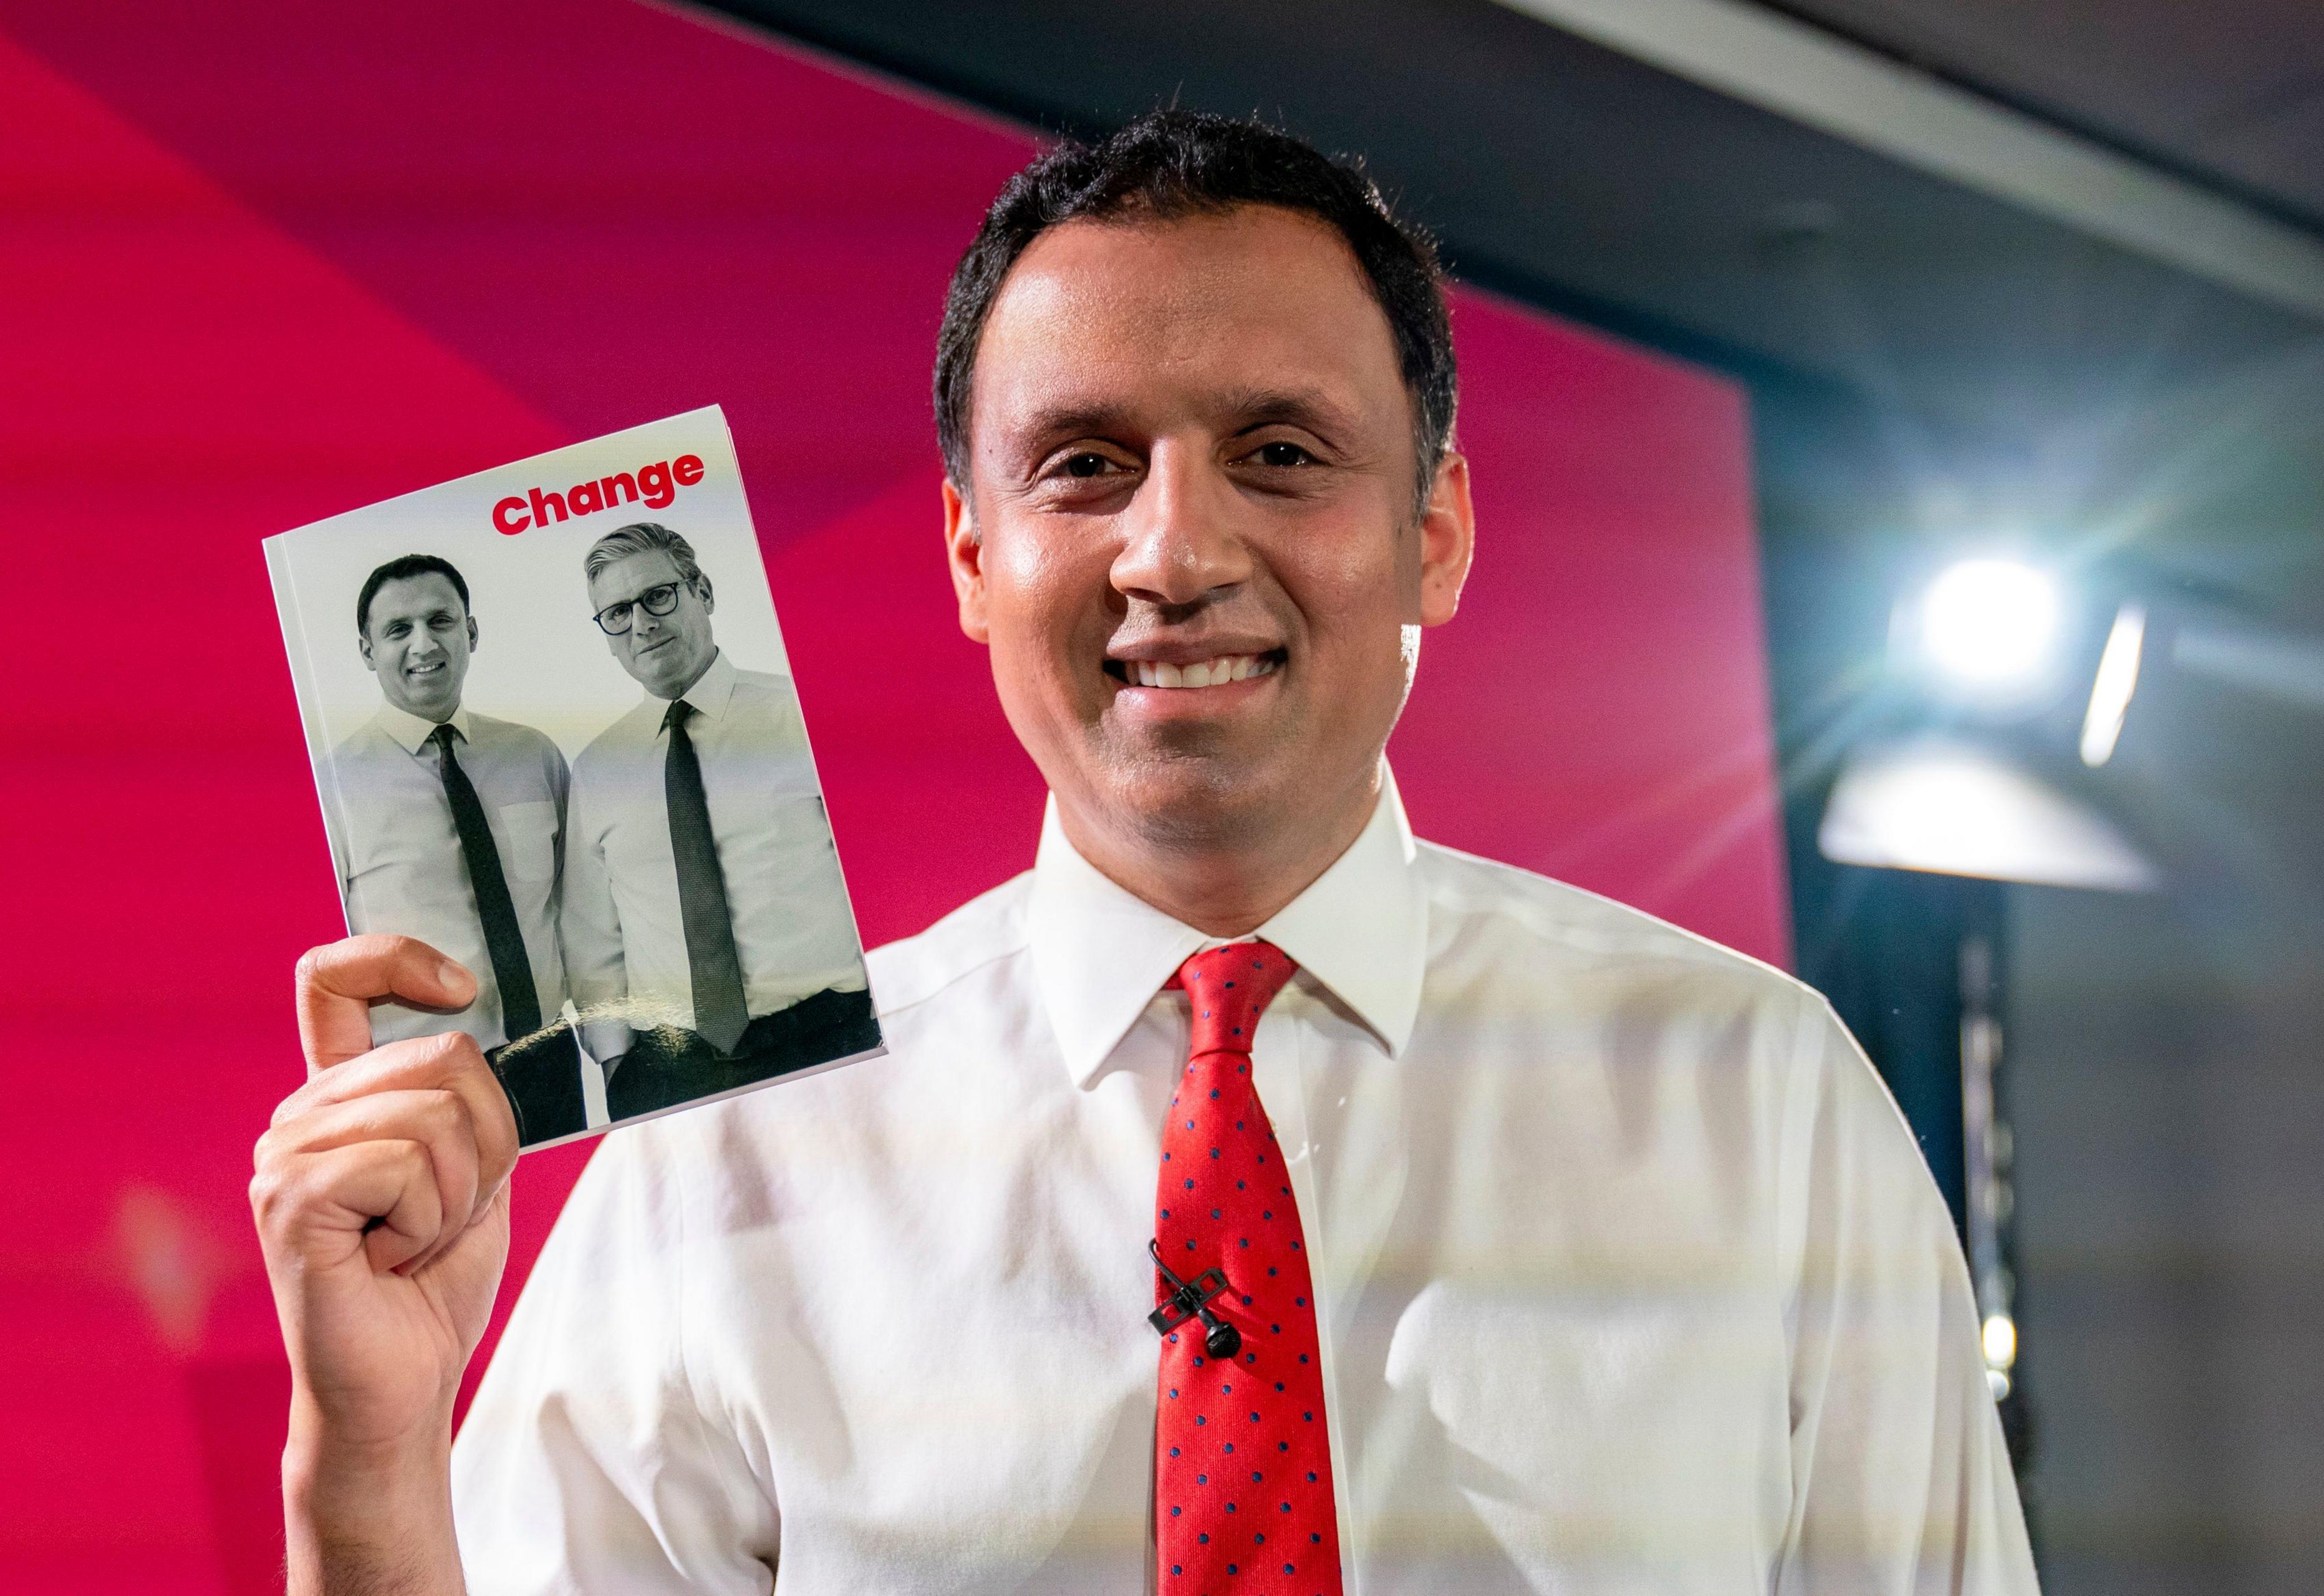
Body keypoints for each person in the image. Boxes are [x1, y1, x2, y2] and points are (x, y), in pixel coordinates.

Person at [253, 113, 2037, 1595]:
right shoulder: (728, 1146)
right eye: (1086, 464)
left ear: (1436, 530)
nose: (1171, 549)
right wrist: (373, 1451)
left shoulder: (1758, 1092)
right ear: (969, 553)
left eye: (1279, 451)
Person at [561, 521, 874, 1121]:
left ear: (701, 590)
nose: (642, 624)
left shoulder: (802, 715)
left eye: (658, 596)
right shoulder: (597, 770)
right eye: (617, 613)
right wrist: (616, 1066)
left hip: (832, 1034)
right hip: (673, 1072)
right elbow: (592, 938)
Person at [322, 553, 584, 1146]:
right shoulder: (333, 789)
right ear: (368, 651)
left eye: (441, 621)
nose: (424, 643)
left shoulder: (533, 755)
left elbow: (581, 908)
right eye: (398, 629)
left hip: (548, 1059)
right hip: (425, 1084)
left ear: (470, 632)